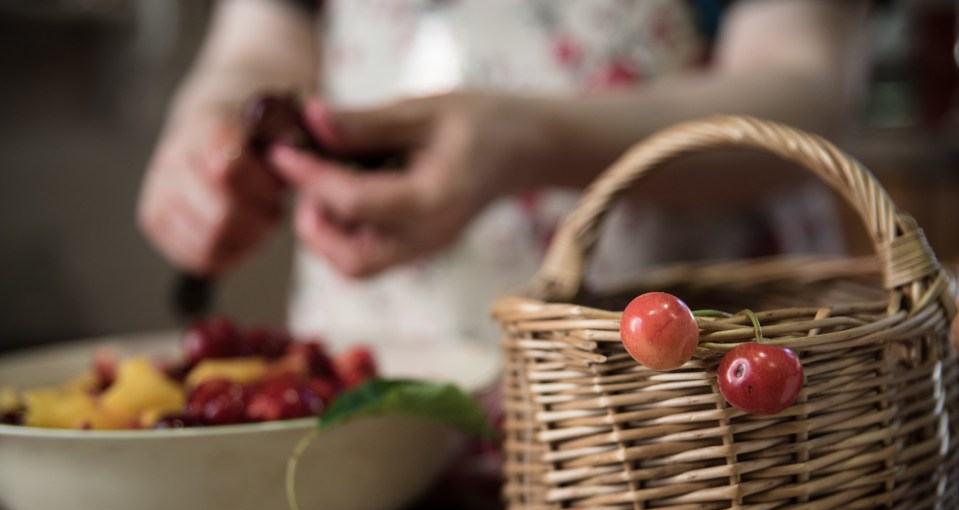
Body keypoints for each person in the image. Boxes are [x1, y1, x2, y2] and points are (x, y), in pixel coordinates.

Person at [137, 0, 871, 348]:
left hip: (678, 432)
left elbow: (802, 84)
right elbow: (261, 43)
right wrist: (210, 122)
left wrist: (531, 140)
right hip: (373, 404)